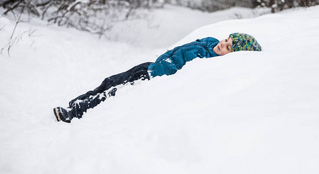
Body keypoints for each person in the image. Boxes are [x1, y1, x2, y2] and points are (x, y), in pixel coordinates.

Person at [53, 32, 262, 123]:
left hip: (151, 80)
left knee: (112, 95)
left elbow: (181, 74)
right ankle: (79, 100)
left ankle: (74, 113)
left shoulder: (208, 63)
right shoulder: (209, 41)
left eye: (227, 48)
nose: (221, 45)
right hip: (150, 66)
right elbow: (183, 48)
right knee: (110, 82)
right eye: (226, 40)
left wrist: (161, 71)